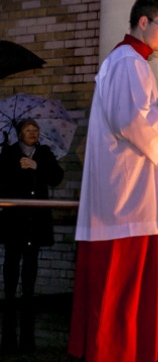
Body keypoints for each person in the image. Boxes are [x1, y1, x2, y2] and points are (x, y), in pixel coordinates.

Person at [68, 0, 158, 362]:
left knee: (120, 296)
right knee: (118, 295)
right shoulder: (129, 63)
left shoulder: (127, 62)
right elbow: (132, 123)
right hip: (124, 203)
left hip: (125, 201)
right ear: (144, 22)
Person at [0, 119, 64, 353]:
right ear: (20, 134)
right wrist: (18, 167)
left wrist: (37, 166)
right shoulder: (9, 152)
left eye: (35, 131)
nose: (33, 134)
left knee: (31, 258)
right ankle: (8, 298)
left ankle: (28, 297)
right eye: (28, 131)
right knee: (12, 258)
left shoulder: (45, 153)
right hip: (14, 218)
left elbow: (57, 177)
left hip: (35, 218)